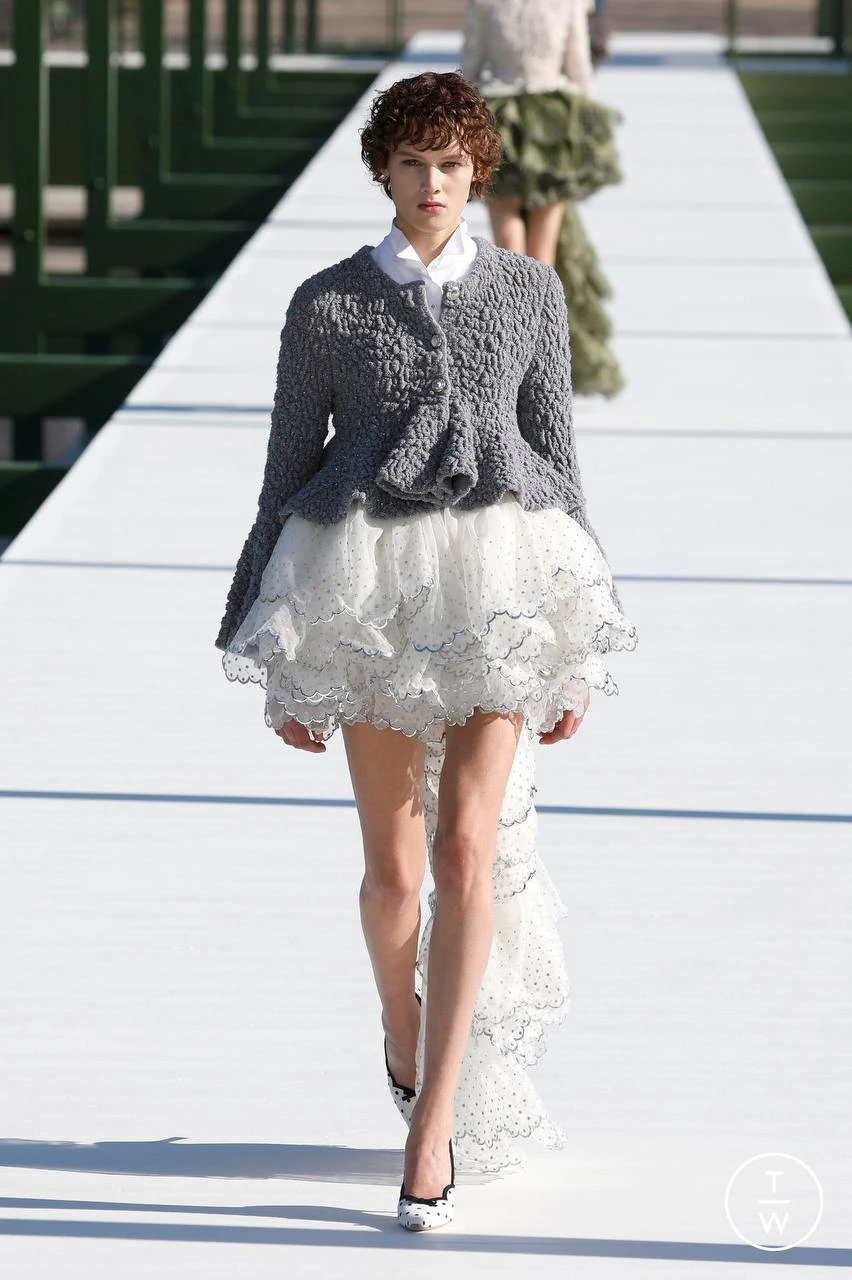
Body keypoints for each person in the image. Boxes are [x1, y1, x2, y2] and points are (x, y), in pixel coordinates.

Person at [215, 71, 638, 1232]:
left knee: (464, 851)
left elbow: (557, 459)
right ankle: (399, 1029)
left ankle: (433, 1125)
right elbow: (286, 469)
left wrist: (573, 644)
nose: (433, 184)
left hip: (503, 581)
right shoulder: (326, 305)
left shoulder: (531, 291)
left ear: (477, 171)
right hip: (367, 593)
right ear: (385, 172)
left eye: (452, 164)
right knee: (396, 874)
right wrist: (266, 634)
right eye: (413, 163)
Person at [462, 0, 624, 396]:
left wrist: (460, 121)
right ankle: (540, 365)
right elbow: (579, 67)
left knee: (508, 242)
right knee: (542, 252)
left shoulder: (485, 3)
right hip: (552, 120)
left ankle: (512, 363)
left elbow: (470, 65)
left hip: (500, 115)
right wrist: (588, 128)